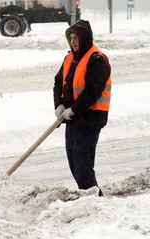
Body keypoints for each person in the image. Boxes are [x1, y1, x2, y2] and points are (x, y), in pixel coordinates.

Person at [53, 20, 112, 196]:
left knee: (82, 165)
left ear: (85, 38)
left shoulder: (97, 60)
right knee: (74, 163)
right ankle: (90, 200)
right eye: (71, 38)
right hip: (73, 117)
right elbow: (58, 83)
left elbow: (92, 92)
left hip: (91, 118)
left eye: (77, 37)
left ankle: (95, 202)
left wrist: (73, 110)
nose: (73, 41)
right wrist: (60, 105)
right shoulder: (70, 58)